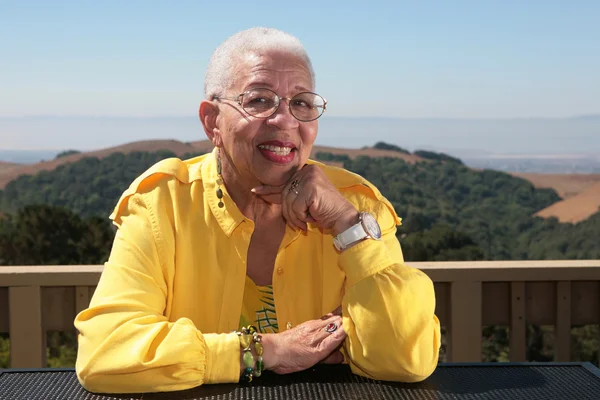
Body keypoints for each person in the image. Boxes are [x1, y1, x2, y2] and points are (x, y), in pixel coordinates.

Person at [74, 27, 441, 394]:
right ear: (212, 121)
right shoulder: (163, 204)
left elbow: (405, 360)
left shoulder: (357, 206)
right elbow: (105, 353)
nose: (285, 121)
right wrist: (265, 351)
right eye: (260, 100)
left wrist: (347, 226)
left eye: (301, 103)